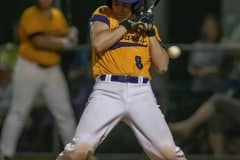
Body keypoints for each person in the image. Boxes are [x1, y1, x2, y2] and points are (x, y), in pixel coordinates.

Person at [56, 0, 186, 160]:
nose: (119, 8)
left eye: (125, 5)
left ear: (135, 5)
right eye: (117, 3)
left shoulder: (145, 27)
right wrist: (127, 25)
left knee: (169, 154)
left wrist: (150, 33)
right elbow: (99, 43)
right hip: (108, 90)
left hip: (141, 93)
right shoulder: (103, 14)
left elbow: (162, 66)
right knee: (78, 151)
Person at [0, 0, 77, 159]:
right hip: (29, 67)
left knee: (64, 113)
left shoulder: (58, 15)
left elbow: (66, 37)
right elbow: (39, 41)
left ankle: (75, 154)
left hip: (52, 69)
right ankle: (5, 153)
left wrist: (71, 35)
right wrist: (64, 42)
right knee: (19, 111)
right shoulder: (30, 14)